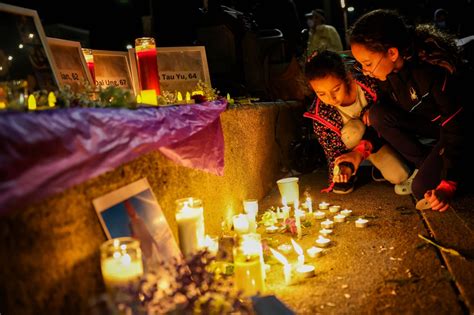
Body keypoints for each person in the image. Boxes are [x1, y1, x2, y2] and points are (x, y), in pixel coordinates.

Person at [345, 9, 469, 211]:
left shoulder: (434, 71)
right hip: (435, 129)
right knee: (377, 113)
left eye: (367, 64)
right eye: (360, 65)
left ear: (392, 53)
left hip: (461, 131)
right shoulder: (388, 75)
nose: (365, 71)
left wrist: (448, 183)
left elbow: (456, 129)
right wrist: (361, 150)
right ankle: (432, 162)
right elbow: (384, 112)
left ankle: (457, 171)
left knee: (422, 189)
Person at [304, 50, 410, 194]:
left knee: (402, 174)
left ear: (347, 78)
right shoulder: (321, 114)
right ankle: (364, 167)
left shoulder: (368, 84)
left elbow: (392, 104)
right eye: (321, 93)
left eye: (336, 89)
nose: (331, 98)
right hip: (365, 147)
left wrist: (375, 108)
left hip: (385, 134)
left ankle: (389, 161)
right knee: (398, 176)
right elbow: (332, 151)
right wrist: (343, 169)